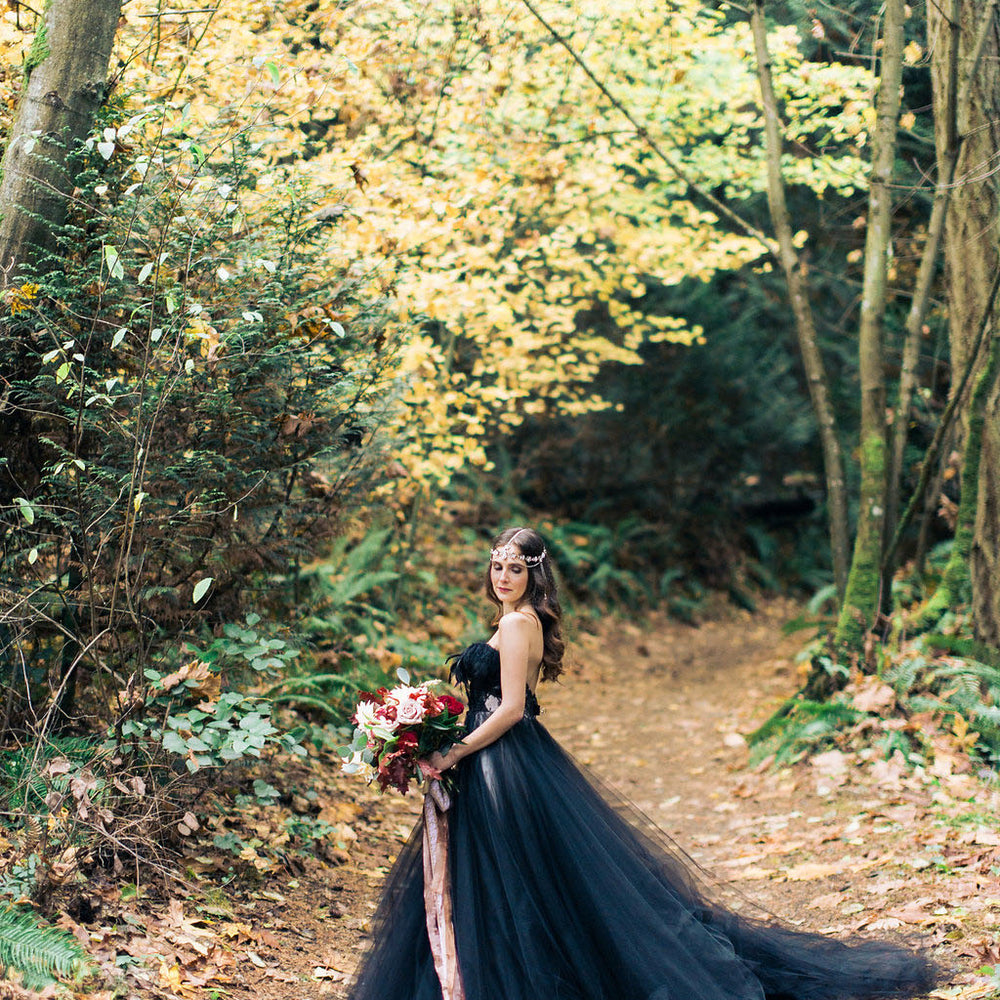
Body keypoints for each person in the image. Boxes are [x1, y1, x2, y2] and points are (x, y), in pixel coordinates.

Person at [346, 526, 940, 1000]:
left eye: (516, 569)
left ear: (534, 574)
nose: (503, 577)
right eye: (497, 567)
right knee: (507, 876)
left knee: (521, 876)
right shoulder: (513, 621)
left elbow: (510, 710)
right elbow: (489, 701)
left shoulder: (518, 622)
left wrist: (455, 748)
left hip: (504, 761)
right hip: (496, 761)